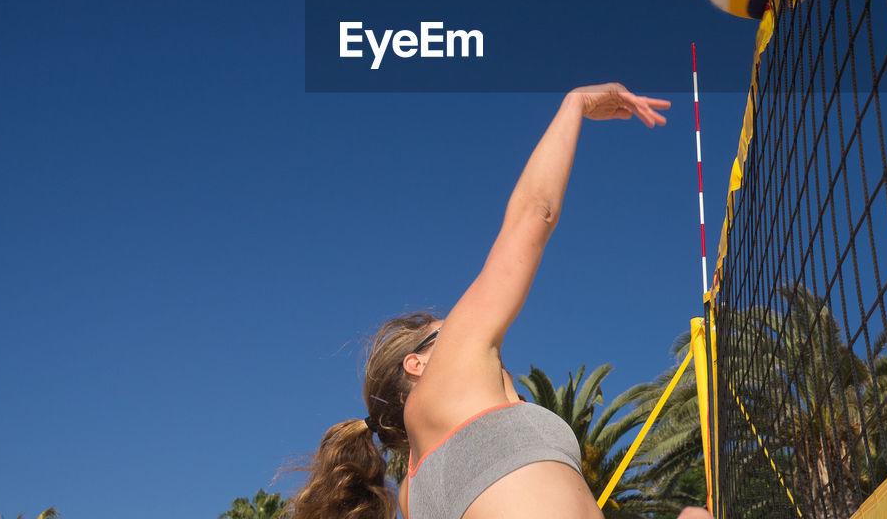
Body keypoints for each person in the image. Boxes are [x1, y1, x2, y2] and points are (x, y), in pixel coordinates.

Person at [292, 83, 712, 519]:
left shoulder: (411, 496)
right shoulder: (452, 373)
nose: (460, 328)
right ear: (416, 364)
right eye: (442, 332)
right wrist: (575, 105)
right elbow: (534, 213)